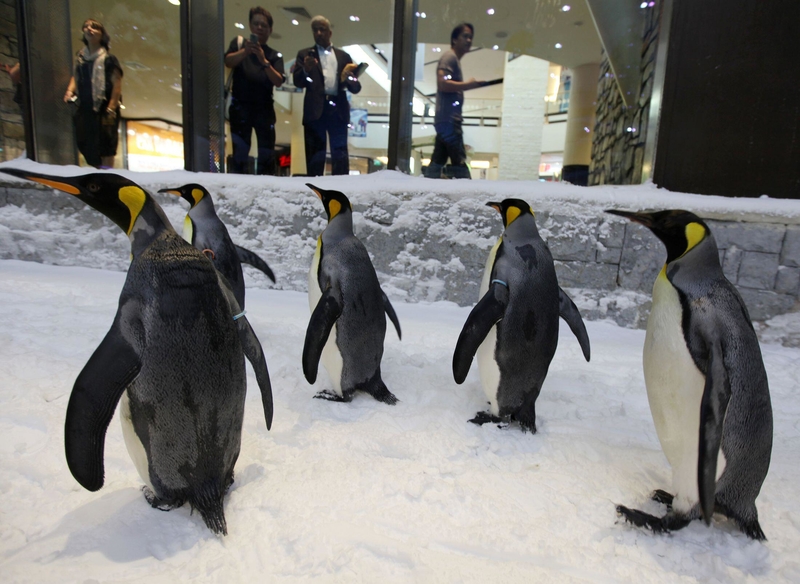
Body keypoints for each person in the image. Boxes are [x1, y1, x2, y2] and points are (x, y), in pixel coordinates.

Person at [293, 16, 362, 176]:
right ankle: (314, 193)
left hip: (337, 110)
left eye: (322, 29)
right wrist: (305, 70)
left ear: (330, 33)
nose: (318, 33)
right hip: (314, 111)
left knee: (340, 158)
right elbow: (297, 81)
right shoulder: (304, 55)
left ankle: (341, 193)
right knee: (314, 159)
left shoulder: (343, 57)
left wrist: (352, 80)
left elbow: (355, 87)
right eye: (315, 30)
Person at [224, 7, 285, 175]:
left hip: (264, 110)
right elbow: (228, 61)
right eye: (256, 24)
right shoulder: (238, 45)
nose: (259, 28)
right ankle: (237, 187)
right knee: (240, 152)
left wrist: (263, 60)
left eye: (263, 25)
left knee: (266, 153)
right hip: (240, 107)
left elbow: (278, 80)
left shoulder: (274, 55)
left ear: (270, 30)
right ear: (250, 26)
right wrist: (246, 51)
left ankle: (266, 190)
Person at [424, 23, 483, 179]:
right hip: (449, 121)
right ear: (454, 39)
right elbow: (442, 84)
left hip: (446, 120)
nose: (469, 40)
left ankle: (422, 191)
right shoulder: (449, 58)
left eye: (470, 37)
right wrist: (468, 85)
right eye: (465, 36)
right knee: (459, 164)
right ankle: (468, 198)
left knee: (437, 162)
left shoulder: (453, 59)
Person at [63, 19, 123, 169]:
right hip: (85, 107)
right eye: (86, 26)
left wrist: (112, 106)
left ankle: (108, 176)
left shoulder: (109, 59)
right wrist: (70, 91)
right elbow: (76, 76)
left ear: (102, 34)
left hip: (104, 108)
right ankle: (98, 172)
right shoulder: (81, 58)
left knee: (106, 143)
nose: (89, 29)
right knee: (86, 141)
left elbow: (117, 83)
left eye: (94, 27)